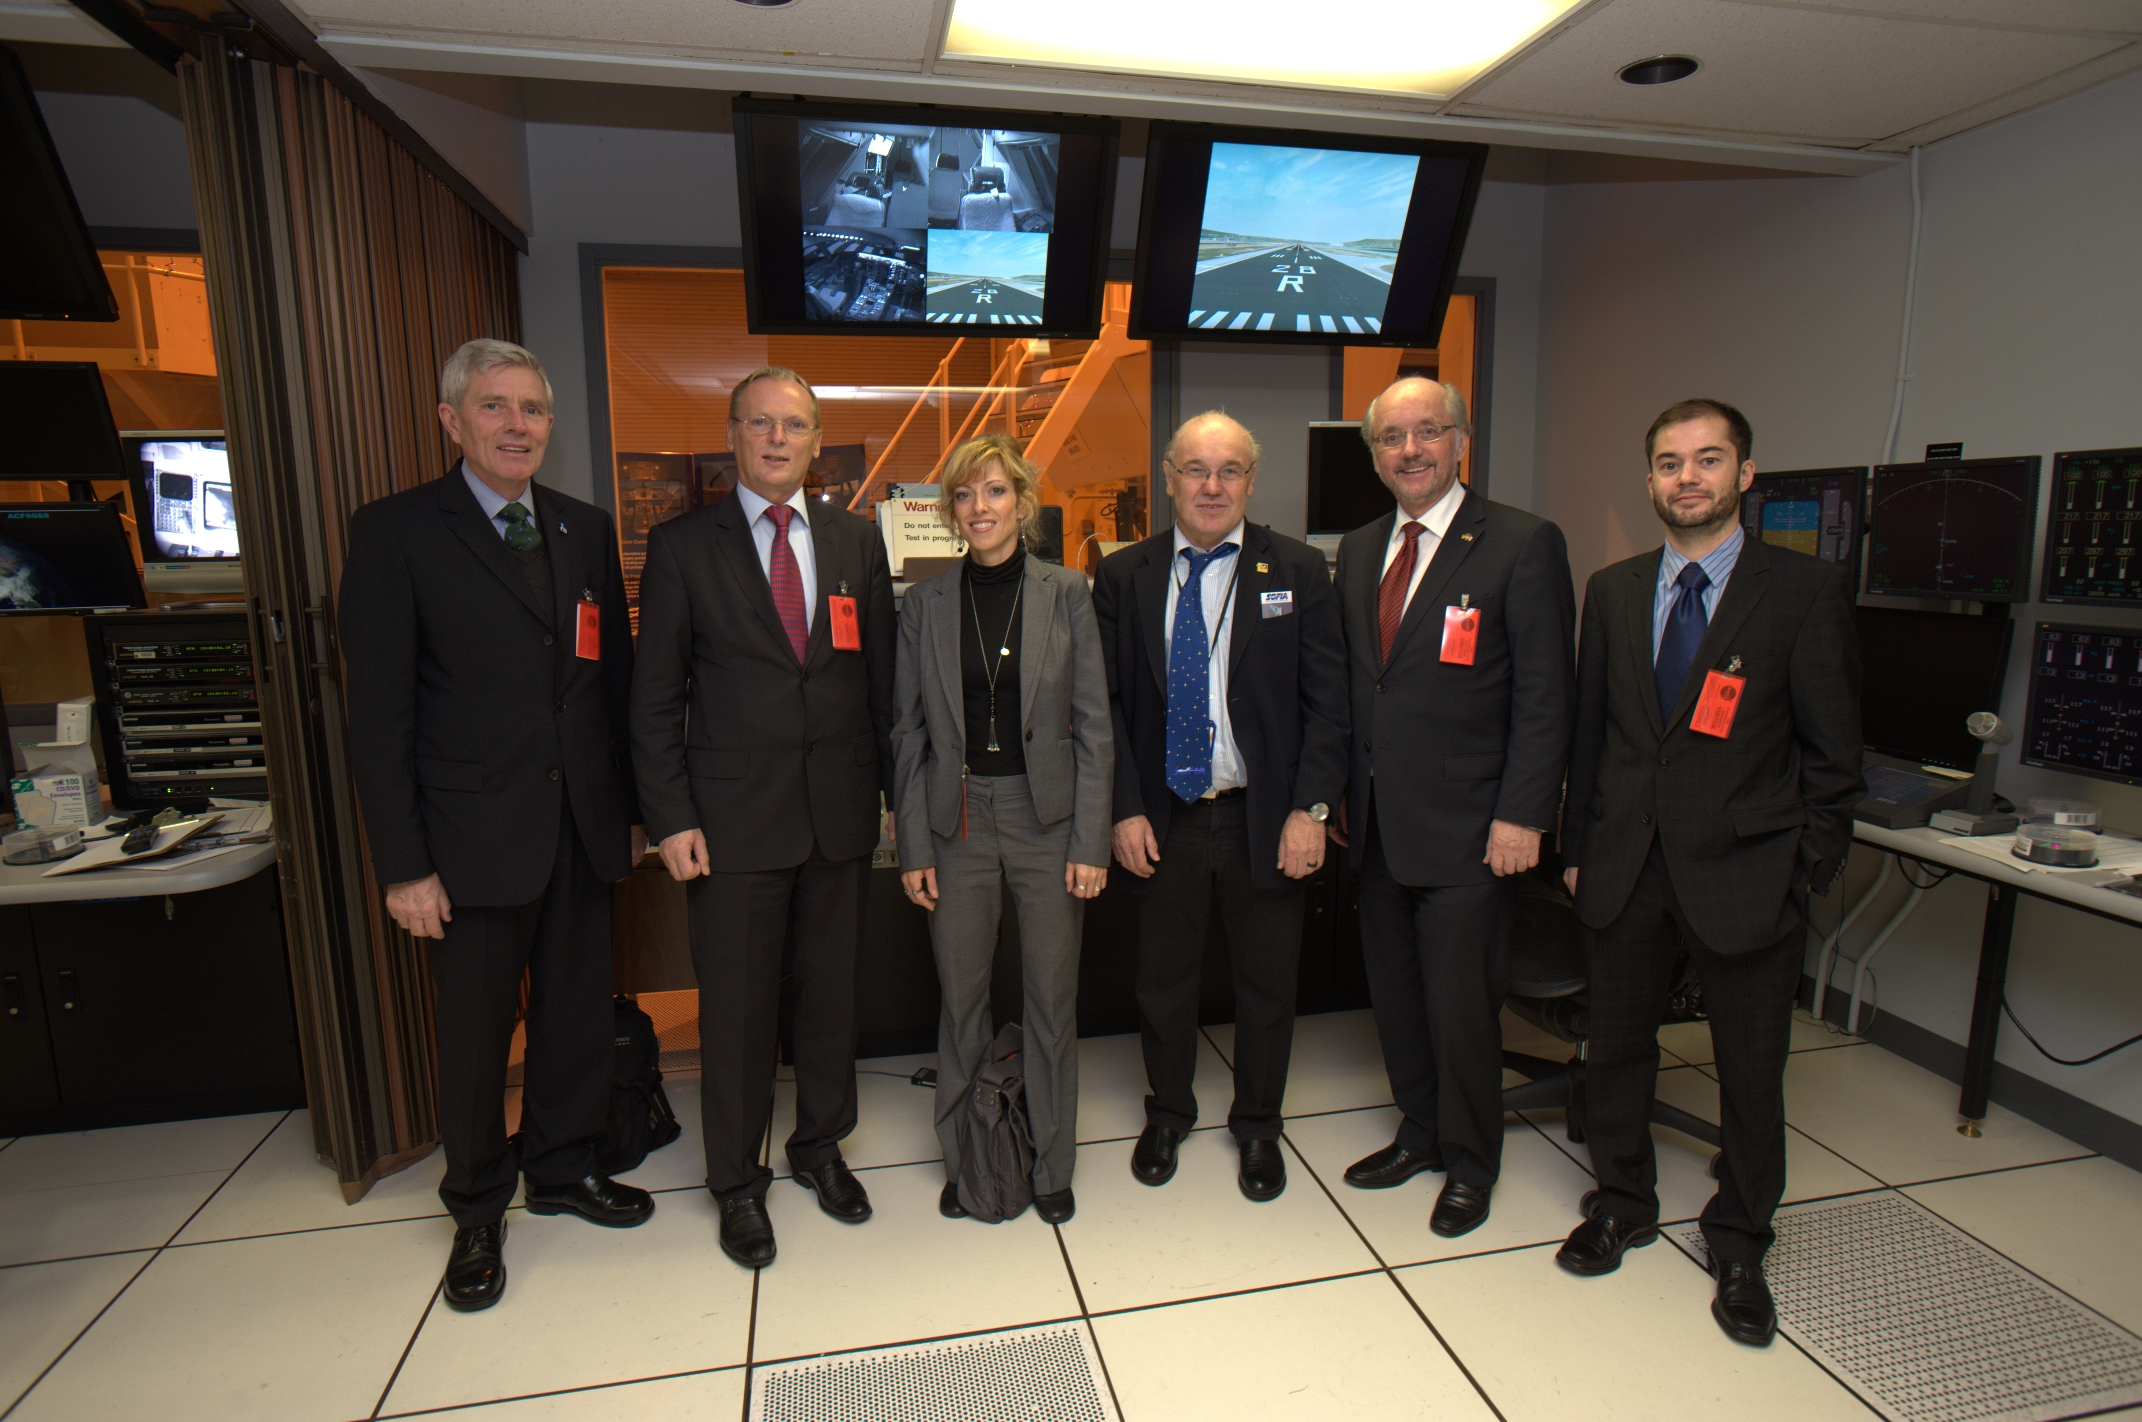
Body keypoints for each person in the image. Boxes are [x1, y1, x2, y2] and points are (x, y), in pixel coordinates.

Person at [340, 338, 653, 1313]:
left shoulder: (582, 528)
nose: (518, 426)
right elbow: (377, 716)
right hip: (466, 840)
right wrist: (403, 866)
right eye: (495, 406)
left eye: (533, 409)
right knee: (477, 1037)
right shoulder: (396, 532)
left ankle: (561, 1167)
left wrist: (628, 814)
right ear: (452, 419)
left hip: (580, 826)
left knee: (574, 1015)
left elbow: (609, 684)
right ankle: (476, 1208)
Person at [1555, 398, 1862, 1347]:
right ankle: (1622, 1201)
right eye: (1669, 462)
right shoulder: (1613, 589)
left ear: (1744, 474)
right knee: (1616, 1051)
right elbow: (1592, 735)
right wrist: (1576, 850)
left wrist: (1802, 870)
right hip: (1626, 866)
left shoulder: (1802, 591)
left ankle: (1740, 1240)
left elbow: (1834, 756)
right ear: (1648, 479)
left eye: (1707, 459)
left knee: (1751, 1071)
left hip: (1747, 874)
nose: (1687, 478)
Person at [630, 366, 896, 1270]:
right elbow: (654, 699)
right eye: (760, 423)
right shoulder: (681, 547)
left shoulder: (856, 539)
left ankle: (820, 1147)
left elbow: (881, 682)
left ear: (817, 441)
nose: (778, 439)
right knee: (738, 1013)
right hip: (730, 824)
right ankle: (737, 1183)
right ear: (732, 435)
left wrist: (894, 800)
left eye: (795, 425)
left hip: (839, 814)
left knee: (831, 999)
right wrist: (670, 817)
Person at [1330, 376, 1575, 1239]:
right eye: (1391, 438)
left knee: (1462, 1007)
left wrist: (1524, 815)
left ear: (1461, 441)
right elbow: (1362, 685)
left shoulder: (1521, 542)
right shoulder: (1361, 547)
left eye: (1427, 432)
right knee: (1396, 999)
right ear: (1374, 456)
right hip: (1376, 825)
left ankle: (1471, 1161)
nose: (1410, 451)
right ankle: (1422, 1130)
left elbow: (1546, 695)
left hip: (1474, 829)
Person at [1094, 411, 1349, 1202]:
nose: (1212, 486)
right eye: (1196, 470)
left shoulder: (1297, 569)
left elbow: (1330, 703)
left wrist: (1311, 810)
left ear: (1251, 480)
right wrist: (1123, 808)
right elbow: (1103, 707)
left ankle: (1259, 1124)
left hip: (1263, 817)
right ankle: (1168, 1112)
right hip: (1162, 814)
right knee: (1162, 982)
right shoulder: (1124, 574)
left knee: (1267, 984)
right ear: (1169, 478)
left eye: (1229, 470)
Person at [891, 434, 1112, 1224]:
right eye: (964, 494)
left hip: (1046, 818)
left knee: (1051, 1000)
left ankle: (1051, 1166)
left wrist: (1090, 841)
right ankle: (967, 1165)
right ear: (950, 512)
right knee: (962, 1002)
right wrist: (914, 844)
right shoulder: (924, 604)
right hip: (956, 820)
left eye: (993, 491)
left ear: (1021, 503)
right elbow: (909, 733)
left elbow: (1095, 726)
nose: (978, 507)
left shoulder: (1068, 593)